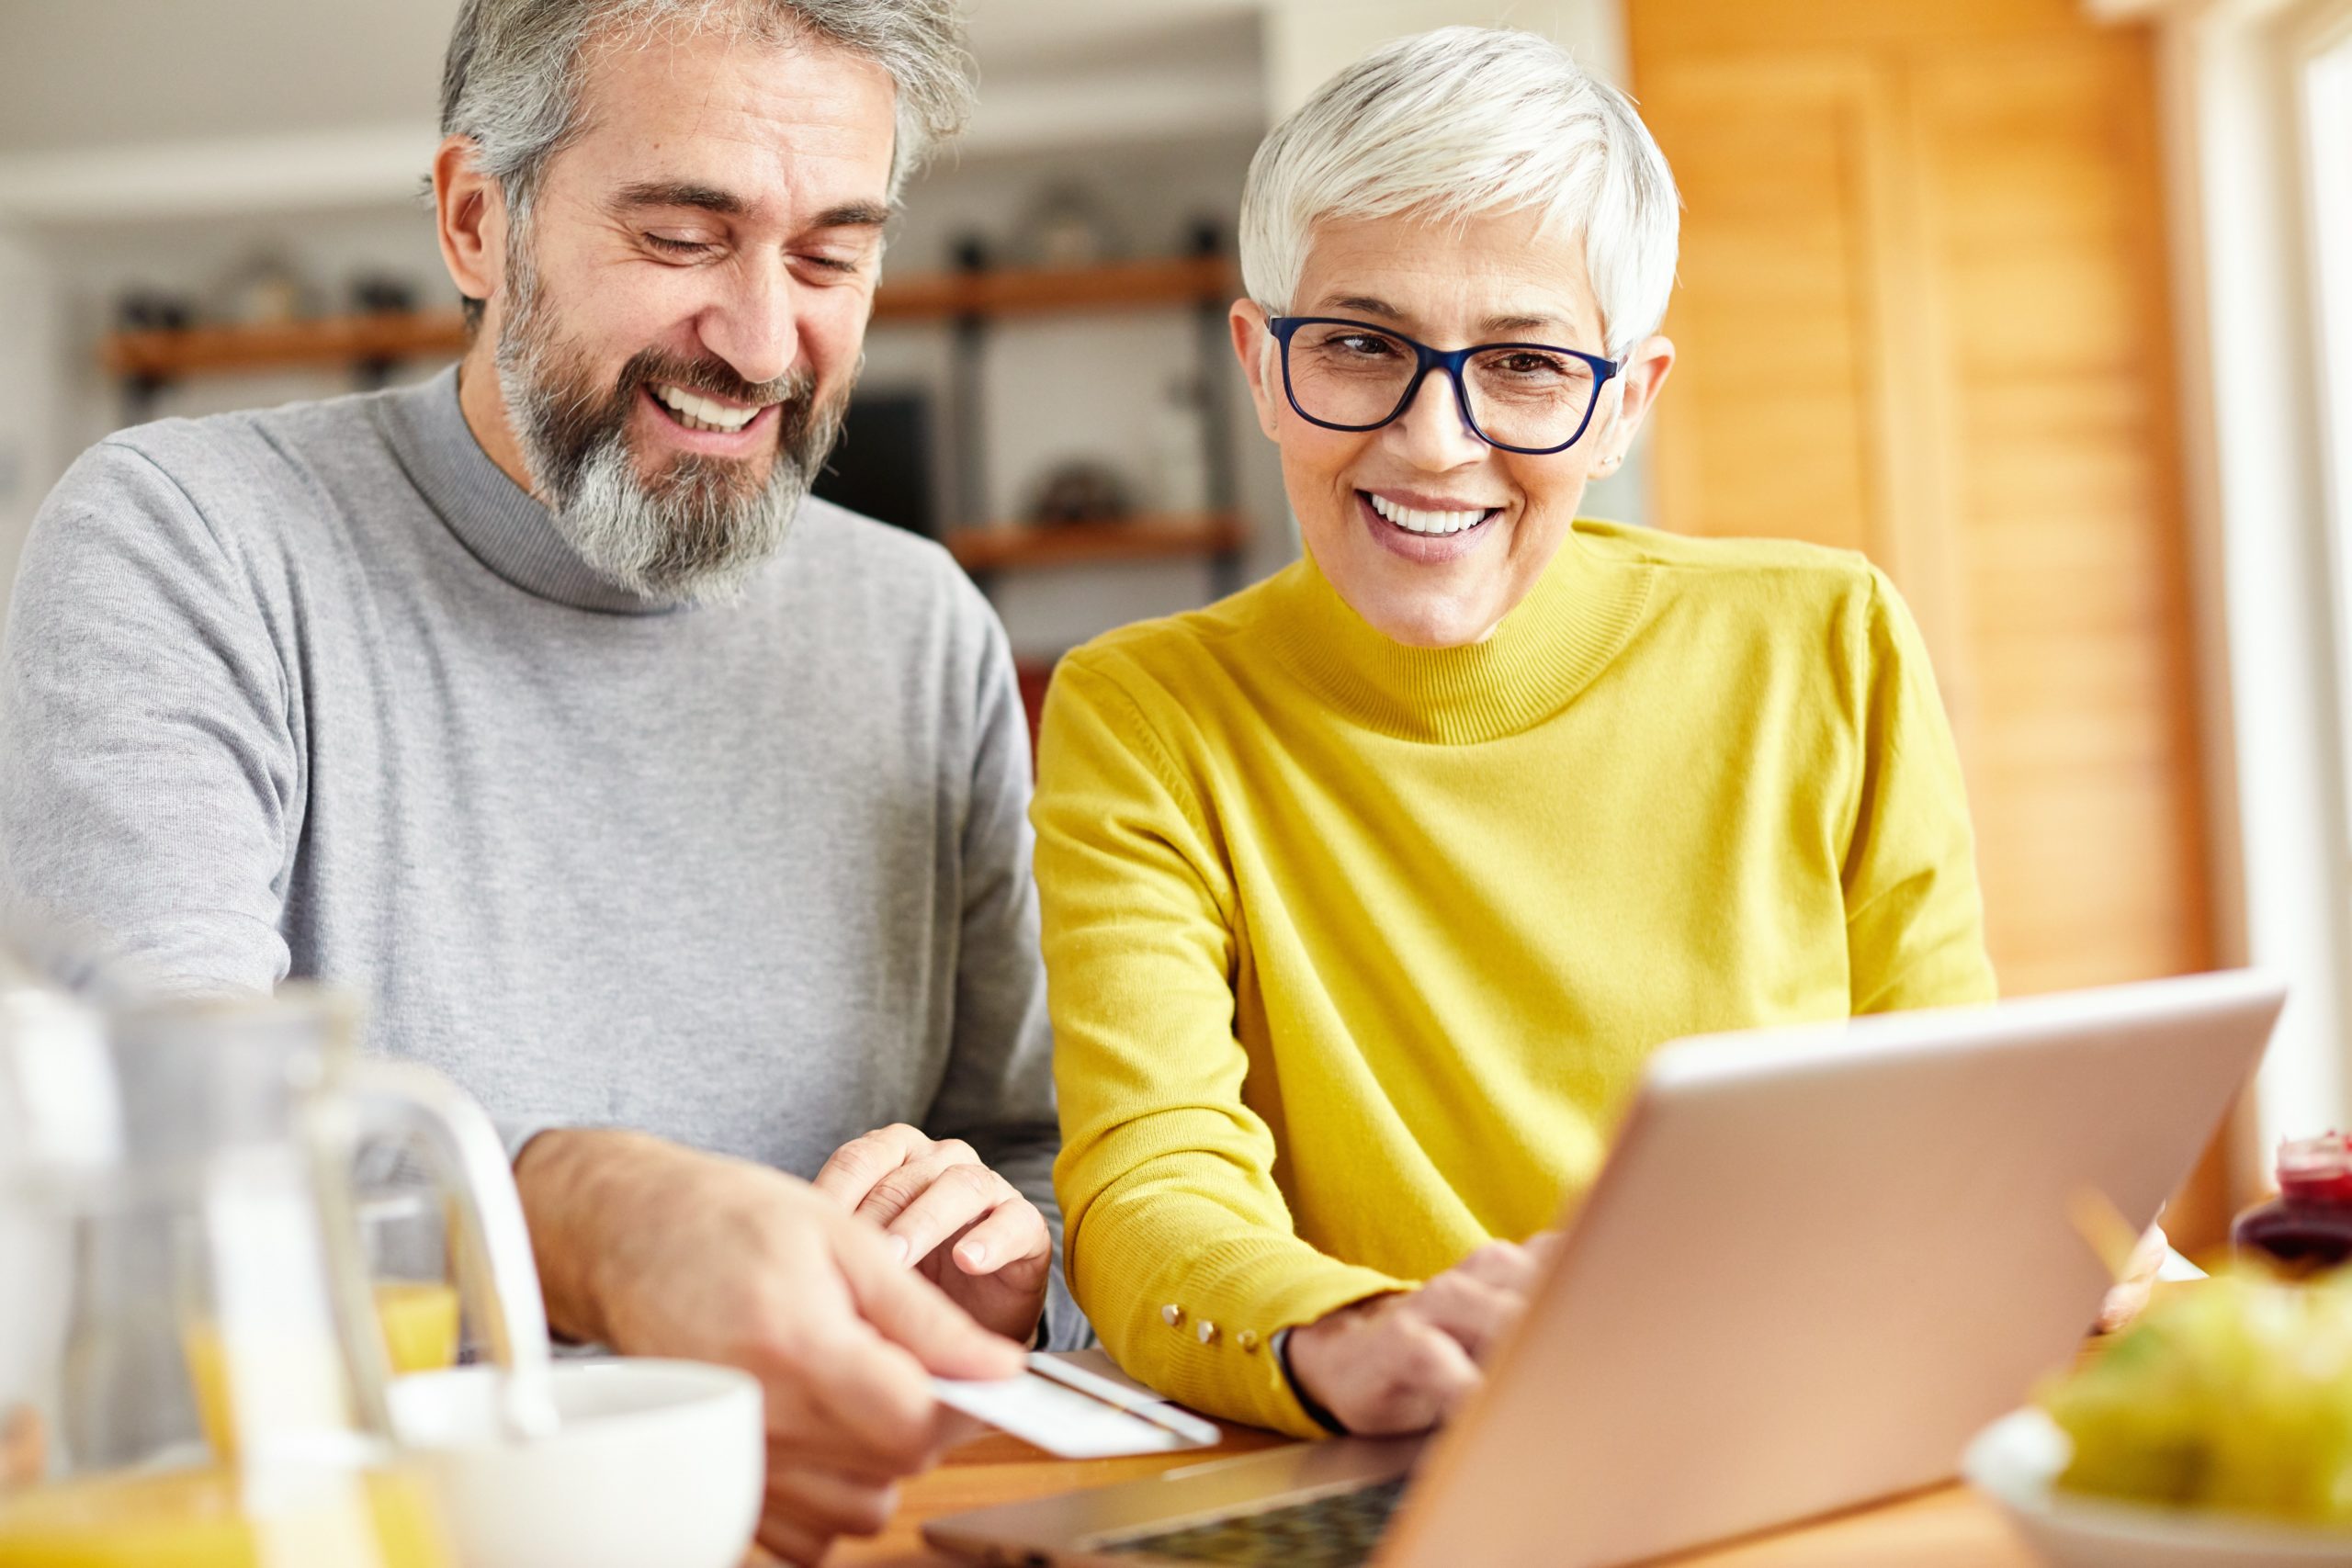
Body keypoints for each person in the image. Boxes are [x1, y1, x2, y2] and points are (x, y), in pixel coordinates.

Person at [0, 1, 1078, 1559]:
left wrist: (1001, 1261)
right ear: (474, 218)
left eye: (833, 256)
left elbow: (1030, 1153)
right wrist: (568, 1213)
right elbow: (157, 1194)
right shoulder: (190, 541)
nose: (766, 342)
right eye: (684, 234)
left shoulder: (920, 629)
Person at [1034, 27, 2002, 1442]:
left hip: (1787, 1426)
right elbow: (1147, 1187)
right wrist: (1346, 1338)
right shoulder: (1148, 713)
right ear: (1259, 363)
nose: (1436, 442)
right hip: (1398, 1454)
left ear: (1626, 403)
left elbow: (1950, 1123)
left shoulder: (1827, 638)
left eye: (1529, 366)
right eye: (1362, 346)